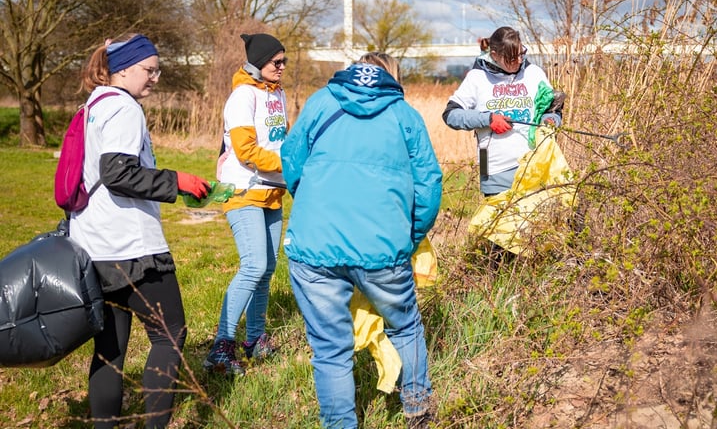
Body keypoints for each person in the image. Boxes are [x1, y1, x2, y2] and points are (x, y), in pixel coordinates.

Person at [281, 52, 442, 429]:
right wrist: (410, 236)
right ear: (392, 77)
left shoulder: (322, 102)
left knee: (329, 348)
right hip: (383, 247)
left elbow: (291, 158)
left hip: (313, 246)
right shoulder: (405, 115)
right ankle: (417, 406)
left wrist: (309, 204)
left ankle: (340, 425)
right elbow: (430, 185)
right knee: (405, 326)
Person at [71, 33, 211, 429]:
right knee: (170, 336)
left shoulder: (94, 104)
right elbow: (117, 173)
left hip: (93, 246)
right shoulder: (124, 108)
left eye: (157, 70)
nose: (155, 78)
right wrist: (176, 180)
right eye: (149, 70)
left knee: (110, 349)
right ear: (124, 69)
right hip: (130, 247)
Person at [203, 33, 289, 376]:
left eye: (285, 62)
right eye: (276, 62)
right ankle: (221, 346)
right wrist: (292, 164)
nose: (282, 68)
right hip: (243, 190)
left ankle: (255, 340)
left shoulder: (278, 93)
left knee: (267, 270)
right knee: (253, 266)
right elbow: (246, 151)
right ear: (258, 63)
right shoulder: (242, 96)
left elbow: (280, 139)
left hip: (272, 192)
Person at [443, 26, 564, 197]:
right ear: (495, 56)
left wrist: (550, 121)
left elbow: (553, 109)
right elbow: (451, 115)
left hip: (536, 166)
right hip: (495, 172)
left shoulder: (535, 73)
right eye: (511, 58)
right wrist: (488, 119)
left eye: (521, 54)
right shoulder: (477, 78)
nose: (519, 61)